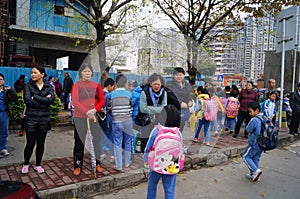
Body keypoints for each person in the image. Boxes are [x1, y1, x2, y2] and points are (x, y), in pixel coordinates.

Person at [71, 64, 105, 176]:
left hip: (94, 117)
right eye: (85, 71)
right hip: (80, 117)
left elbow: (101, 101)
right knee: (79, 142)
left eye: (89, 71)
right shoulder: (76, 85)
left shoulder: (97, 86)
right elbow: (75, 101)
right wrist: (87, 112)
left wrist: (94, 110)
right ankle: (77, 164)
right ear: (81, 73)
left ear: (92, 73)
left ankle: (97, 163)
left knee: (96, 140)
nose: (87, 73)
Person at [143, 104, 182, 199]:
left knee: (152, 186)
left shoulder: (156, 130)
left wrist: (145, 159)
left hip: (155, 164)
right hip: (171, 165)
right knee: (169, 189)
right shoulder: (178, 132)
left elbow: (148, 146)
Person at [21, 66, 55, 174]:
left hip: (44, 118)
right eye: (32, 73)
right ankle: (26, 163)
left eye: (35, 72)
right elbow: (27, 100)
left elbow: (51, 100)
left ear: (42, 74)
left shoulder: (49, 86)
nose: (32, 74)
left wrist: (35, 97)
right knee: (30, 143)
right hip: (31, 118)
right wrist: (44, 100)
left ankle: (38, 164)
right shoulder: (28, 86)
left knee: (41, 143)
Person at [105, 74, 133, 171]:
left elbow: (108, 108)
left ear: (116, 83)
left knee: (117, 142)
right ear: (125, 83)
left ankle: (119, 165)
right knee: (128, 141)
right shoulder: (130, 94)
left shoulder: (110, 95)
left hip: (116, 121)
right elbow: (132, 108)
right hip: (128, 121)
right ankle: (127, 162)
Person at [139, 73, 167, 154]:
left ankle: (155, 152)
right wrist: (158, 109)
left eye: (158, 84)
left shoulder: (164, 93)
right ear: (151, 84)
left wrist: (150, 108)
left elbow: (164, 108)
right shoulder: (144, 92)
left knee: (157, 136)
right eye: (155, 84)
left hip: (159, 119)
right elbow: (143, 109)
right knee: (146, 137)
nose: (157, 86)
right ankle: (144, 153)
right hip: (146, 119)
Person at [166, 67, 195, 132]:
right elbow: (169, 96)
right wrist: (180, 103)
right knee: (172, 129)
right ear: (173, 75)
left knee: (180, 129)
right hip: (173, 111)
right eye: (176, 75)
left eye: (180, 75)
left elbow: (190, 95)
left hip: (184, 111)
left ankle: (178, 141)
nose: (178, 76)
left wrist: (190, 101)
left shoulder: (187, 85)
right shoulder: (169, 84)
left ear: (183, 75)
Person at [242, 101, 263, 182]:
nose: (250, 114)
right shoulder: (265, 117)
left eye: (251, 111)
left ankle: (255, 171)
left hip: (254, 142)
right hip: (262, 143)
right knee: (256, 158)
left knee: (245, 156)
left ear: (257, 110)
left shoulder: (255, 119)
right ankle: (253, 175)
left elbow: (248, 129)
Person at [0, 73, 18, 157]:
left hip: (3, 113)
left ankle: (3, 148)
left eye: (1, 79)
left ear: (3, 81)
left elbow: (15, 99)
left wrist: (11, 90)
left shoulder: (6, 90)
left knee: (4, 131)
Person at [99, 77, 115, 161]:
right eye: (112, 87)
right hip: (108, 119)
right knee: (110, 136)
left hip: (100, 118)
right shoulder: (108, 95)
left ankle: (101, 153)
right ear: (109, 86)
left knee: (101, 136)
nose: (113, 89)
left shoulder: (98, 93)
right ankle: (112, 155)